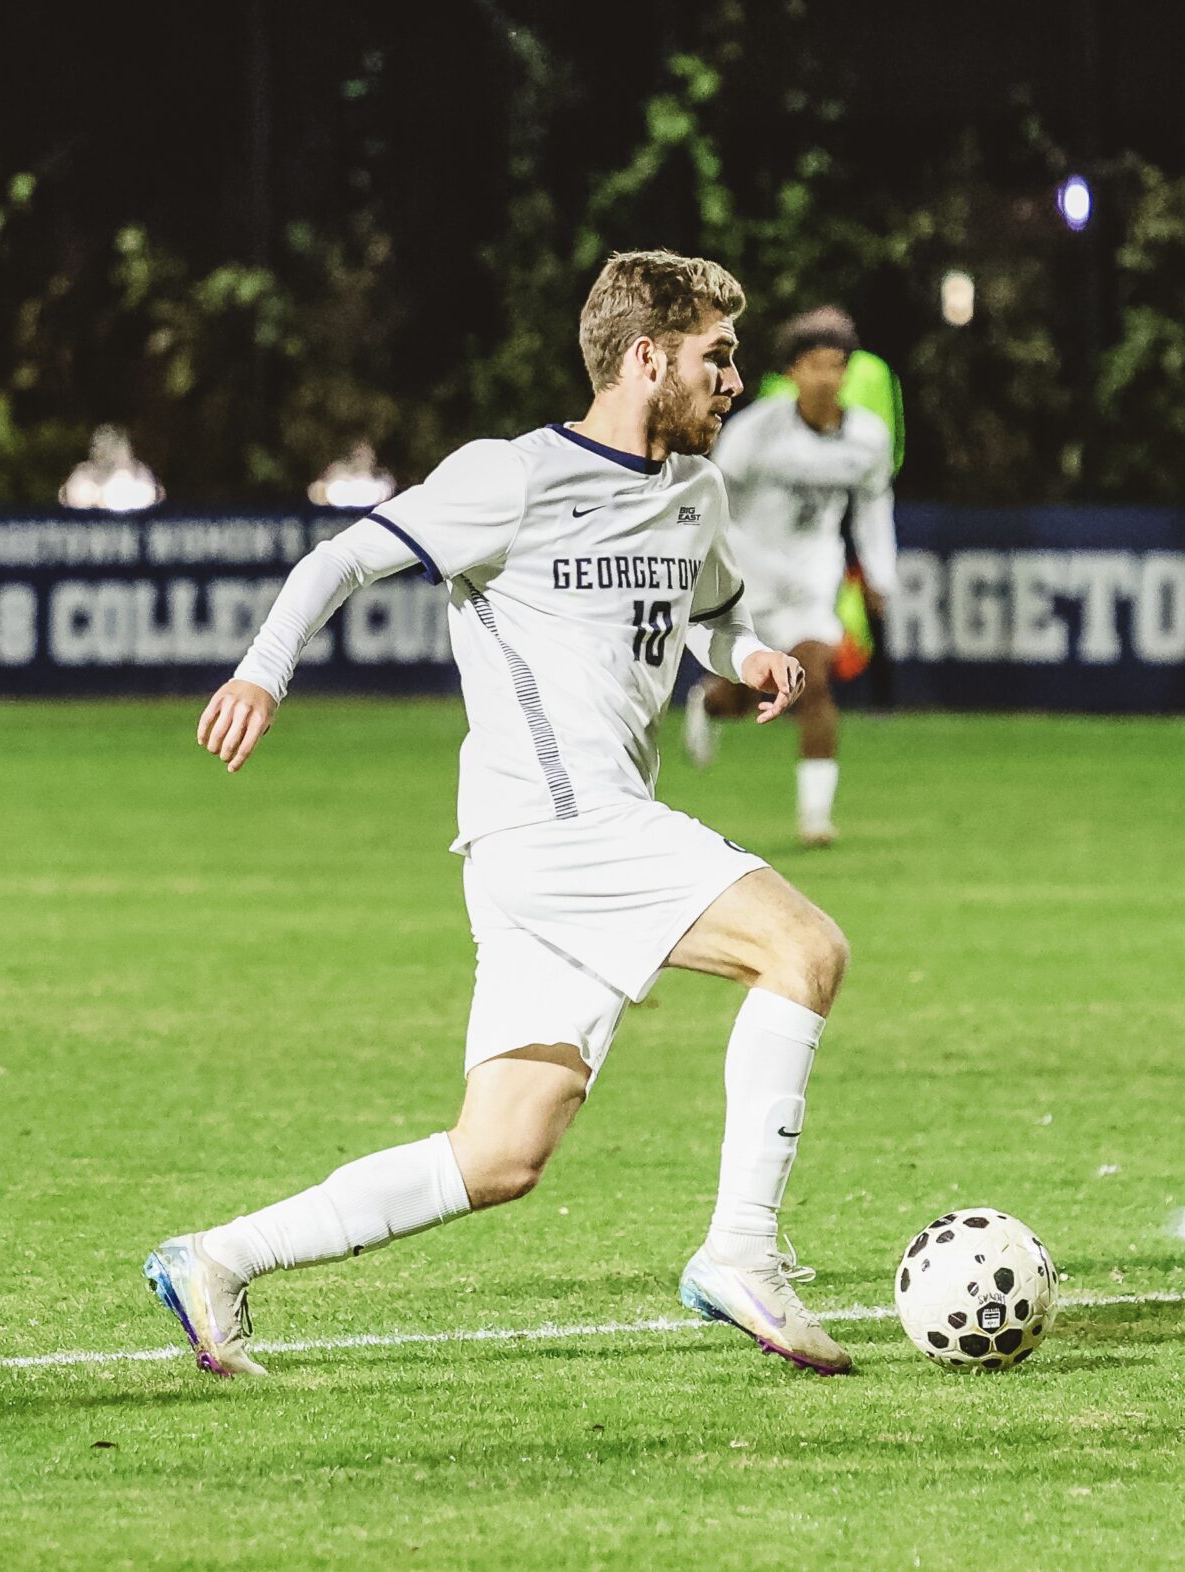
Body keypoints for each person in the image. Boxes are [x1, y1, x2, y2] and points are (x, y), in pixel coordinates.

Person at [145, 250, 860, 1378]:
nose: (734, 380)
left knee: (500, 1153)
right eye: (716, 357)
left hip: (545, 853)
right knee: (804, 950)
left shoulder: (697, 493)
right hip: (561, 826)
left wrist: (753, 655)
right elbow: (341, 560)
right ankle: (742, 1253)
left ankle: (216, 1259)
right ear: (646, 358)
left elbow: (709, 617)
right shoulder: (511, 477)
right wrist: (261, 675)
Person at [684, 306, 900, 847]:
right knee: (745, 696)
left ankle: (815, 819)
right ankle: (709, 702)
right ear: (793, 372)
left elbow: (873, 508)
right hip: (750, 576)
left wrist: (879, 575)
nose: (826, 377)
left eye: (836, 366)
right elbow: (713, 501)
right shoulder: (755, 431)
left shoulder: (868, 437)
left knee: (812, 681)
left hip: (812, 579)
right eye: (815, 365)